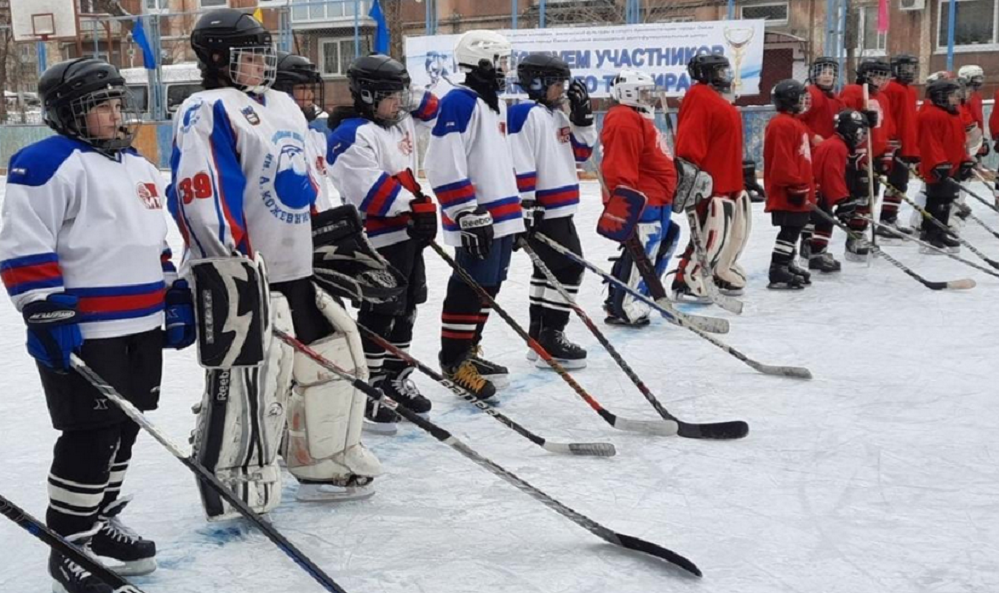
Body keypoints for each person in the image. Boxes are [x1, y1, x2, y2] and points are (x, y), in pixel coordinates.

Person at [170, 8, 380, 513]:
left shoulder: (283, 103)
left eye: (265, 53)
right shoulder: (206, 109)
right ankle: (235, 471)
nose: (262, 63)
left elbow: (308, 179)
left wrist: (327, 235)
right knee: (256, 375)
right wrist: (234, 265)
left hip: (299, 264)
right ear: (217, 58)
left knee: (331, 355)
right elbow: (205, 196)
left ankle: (321, 454)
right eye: (250, 55)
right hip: (244, 271)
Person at [0, 57, 194, 593]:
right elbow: (23, 243)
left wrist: (171, 295)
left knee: (126, 427)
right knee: (90, 435)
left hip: (141, 325)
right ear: (68, 113)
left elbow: (151, 241)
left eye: (116, 104)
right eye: (101, 107)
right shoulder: (44, 162)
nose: (115, 115)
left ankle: (98, 517)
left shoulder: (134, 164)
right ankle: (69, 543)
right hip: (86, 329)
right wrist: (44, 309)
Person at [326, 53, 440, 431]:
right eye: (392, 95)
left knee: (408, 305)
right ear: (368, 95)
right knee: (381, 309)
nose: (401, 103)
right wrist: (417, 206)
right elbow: (370, 192)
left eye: (402, 93)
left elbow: (433, 109)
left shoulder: (398, 123)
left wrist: (408, 88)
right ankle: (368, 388)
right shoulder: (351, 134)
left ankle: (394, 376)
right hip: (375, 237)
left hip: (405, 233)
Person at [425, 30, 523, 400]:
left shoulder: (494, 104)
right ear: (480, 63)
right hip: (477, 217)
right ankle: (453, 360)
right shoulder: (458, 102)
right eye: (500, 61)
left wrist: (517, 214)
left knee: (490, 286)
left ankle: (469, 349)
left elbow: (498, 164)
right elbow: (441, 162)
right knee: (469, 286)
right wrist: (465, 210)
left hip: (501, 216)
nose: (504, 69)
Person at [508, 53, 596, 361]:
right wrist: (526, 205)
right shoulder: (524, 114)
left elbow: (582, 155)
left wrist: (583, 118)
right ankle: (552, 334)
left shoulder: (557, 115)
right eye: (557, 83)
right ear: (537, 83)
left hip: (561, 209)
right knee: (570, 267)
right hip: (543, 211)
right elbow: (520, 161)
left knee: (546, 272)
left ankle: (539, 336)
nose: (563, 89)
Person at [599, 68, 678, 324]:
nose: (649, 97)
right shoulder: (624, 118)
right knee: (643, 249)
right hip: (644, 201)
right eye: (643, 92)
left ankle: (632, 297)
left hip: (658, 199)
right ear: (627, 92)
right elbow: (619, 166)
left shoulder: (638, 118)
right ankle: (626, 305)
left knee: (660, 243)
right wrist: (625, 206)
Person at [671, 54, 747, 299]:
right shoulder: (699, 96)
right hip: (711, 178)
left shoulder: (717, 99)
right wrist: (690, 172)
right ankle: (688, 275)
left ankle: (718, 268)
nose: (725, 76)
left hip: (728, 175)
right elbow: (689, 141)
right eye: (719, 72)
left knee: (732, 225)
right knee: (711, 226)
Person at [837, 58, 893, 261]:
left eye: (882, 76)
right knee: (859, 198)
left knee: (871, 198)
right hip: (858, 154)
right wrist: (859, 115)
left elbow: (885, 128)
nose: (879, 80)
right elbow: (842, 119)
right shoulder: (852, 91)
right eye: (875, 75)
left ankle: (862, 233)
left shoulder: (883, 98)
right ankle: (853, 239)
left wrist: (886, 153)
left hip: (874, 155)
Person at [763, 79, 815, 289]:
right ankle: (778, 268)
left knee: (796, 226)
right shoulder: (781, 124)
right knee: (789, 229)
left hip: (799, 187)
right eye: (801, 97)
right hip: (787, 190)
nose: (805, 101)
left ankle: (788, 262)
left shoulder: (795, 123)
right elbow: (782, 160)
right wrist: (794, 184)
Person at [809, 111, 870, 273]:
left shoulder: (838, 144)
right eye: (860, 131)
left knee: (825, 219)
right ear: (849, 129)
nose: (862, 136)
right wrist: (842, 200)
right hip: (816, 191)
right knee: (823, 220)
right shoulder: (836, 146)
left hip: (819, 190)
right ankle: (815, 255)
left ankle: (817, 254)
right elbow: (832, 174)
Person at [273, 51, 335, 210]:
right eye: (302, 87)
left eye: (311, 88)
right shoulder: (273, 137)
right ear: (281, 91)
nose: (310, 95)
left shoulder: (315, 136)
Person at [917, 78, 972, 252]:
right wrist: (938, 163)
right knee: (936, 200)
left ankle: (941, 231)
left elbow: (960, 141)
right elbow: (929, 143)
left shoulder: (953, 114)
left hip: (952, 165)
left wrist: (964, 159)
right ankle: (930, 232)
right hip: (938, 167)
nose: (957, 99)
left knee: (947, 200)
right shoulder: (930, 115)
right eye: (953, 95)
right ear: (940, 96)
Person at [878, 54, 919, 235]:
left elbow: (910, 121)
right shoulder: (892, 89)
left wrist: (913, 147)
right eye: (905, 68)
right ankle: (885, 220)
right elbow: (890, 117)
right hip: (893, 144)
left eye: (912, 68)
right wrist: (891, 140)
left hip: (905, 144)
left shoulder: (910, 90)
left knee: (900, 183)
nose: (909, 72)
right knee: (894, 182)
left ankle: (890, 217)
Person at [800, 56, 843, 146]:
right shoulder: (810, 94)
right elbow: (797, 120)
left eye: (831, 73)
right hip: (811, 148)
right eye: (823, 73)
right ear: (816, 76)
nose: (827, 76)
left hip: (830, 146)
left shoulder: (838, 100)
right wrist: (811, 136)